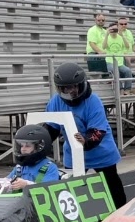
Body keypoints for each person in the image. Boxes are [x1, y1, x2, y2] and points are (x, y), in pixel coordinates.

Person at [45, 62, 126, 208]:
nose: (69, 93)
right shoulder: (55, 102)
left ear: (81, 85)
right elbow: (51, 128)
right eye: (64, 89)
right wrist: (39, 144)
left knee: (112, 186)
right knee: (75, 190)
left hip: (101, 153)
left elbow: (98, 131)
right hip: (74, 153)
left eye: (72, 87)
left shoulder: (93, 101)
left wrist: (86, 140)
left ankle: (120, 214)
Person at [0, 124, 61, 191]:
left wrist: (26, 185)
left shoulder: (50, 168)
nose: (23, 149)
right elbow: (8, 183)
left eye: (28, 146)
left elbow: (49, 189)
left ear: (39, 147)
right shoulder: (20, 167)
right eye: (21, 146)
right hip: (21, 204)